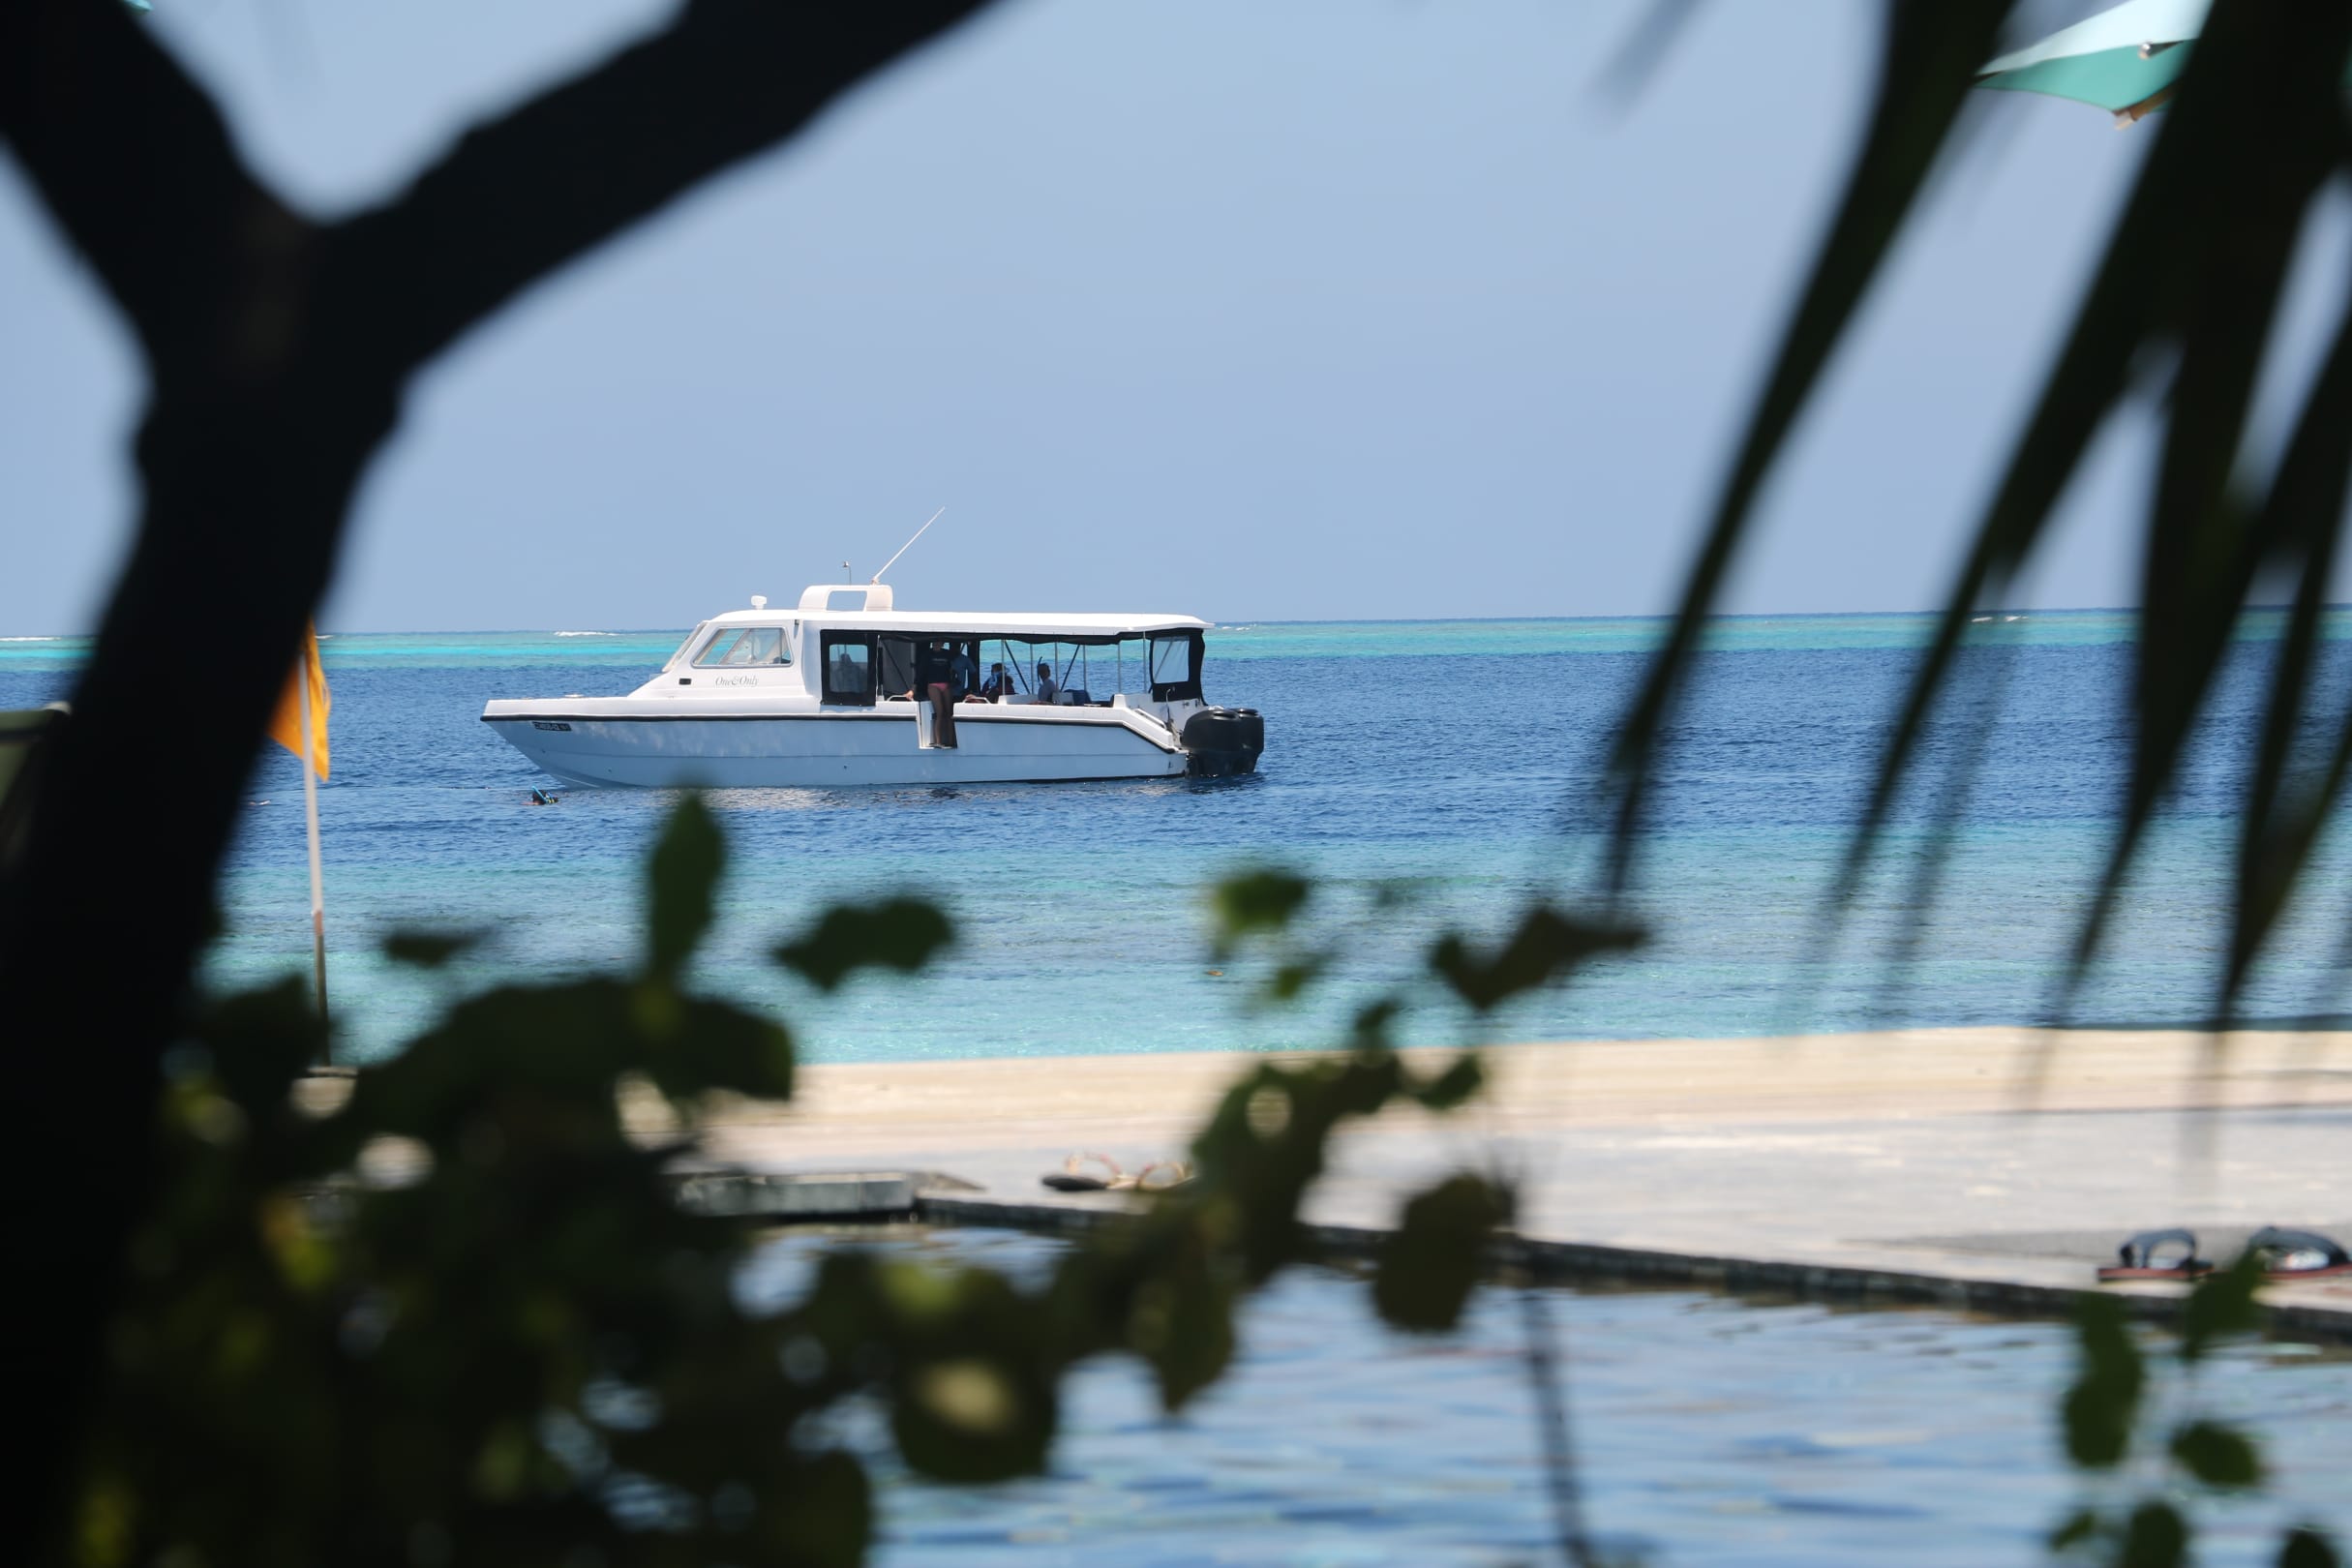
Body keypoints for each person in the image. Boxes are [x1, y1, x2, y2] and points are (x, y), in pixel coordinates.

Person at [913, 639, 957, 747]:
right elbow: (921, 672)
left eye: (938, 643)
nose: (936, 645)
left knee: (949, 713)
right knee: (940, 712)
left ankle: (951, 741)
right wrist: (914, 687)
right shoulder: (928, 655)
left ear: (942, 644)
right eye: (934, 643)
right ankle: (938, 741)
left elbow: (955, 665)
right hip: (933, 685)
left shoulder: (947, 654)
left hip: (946, 684)